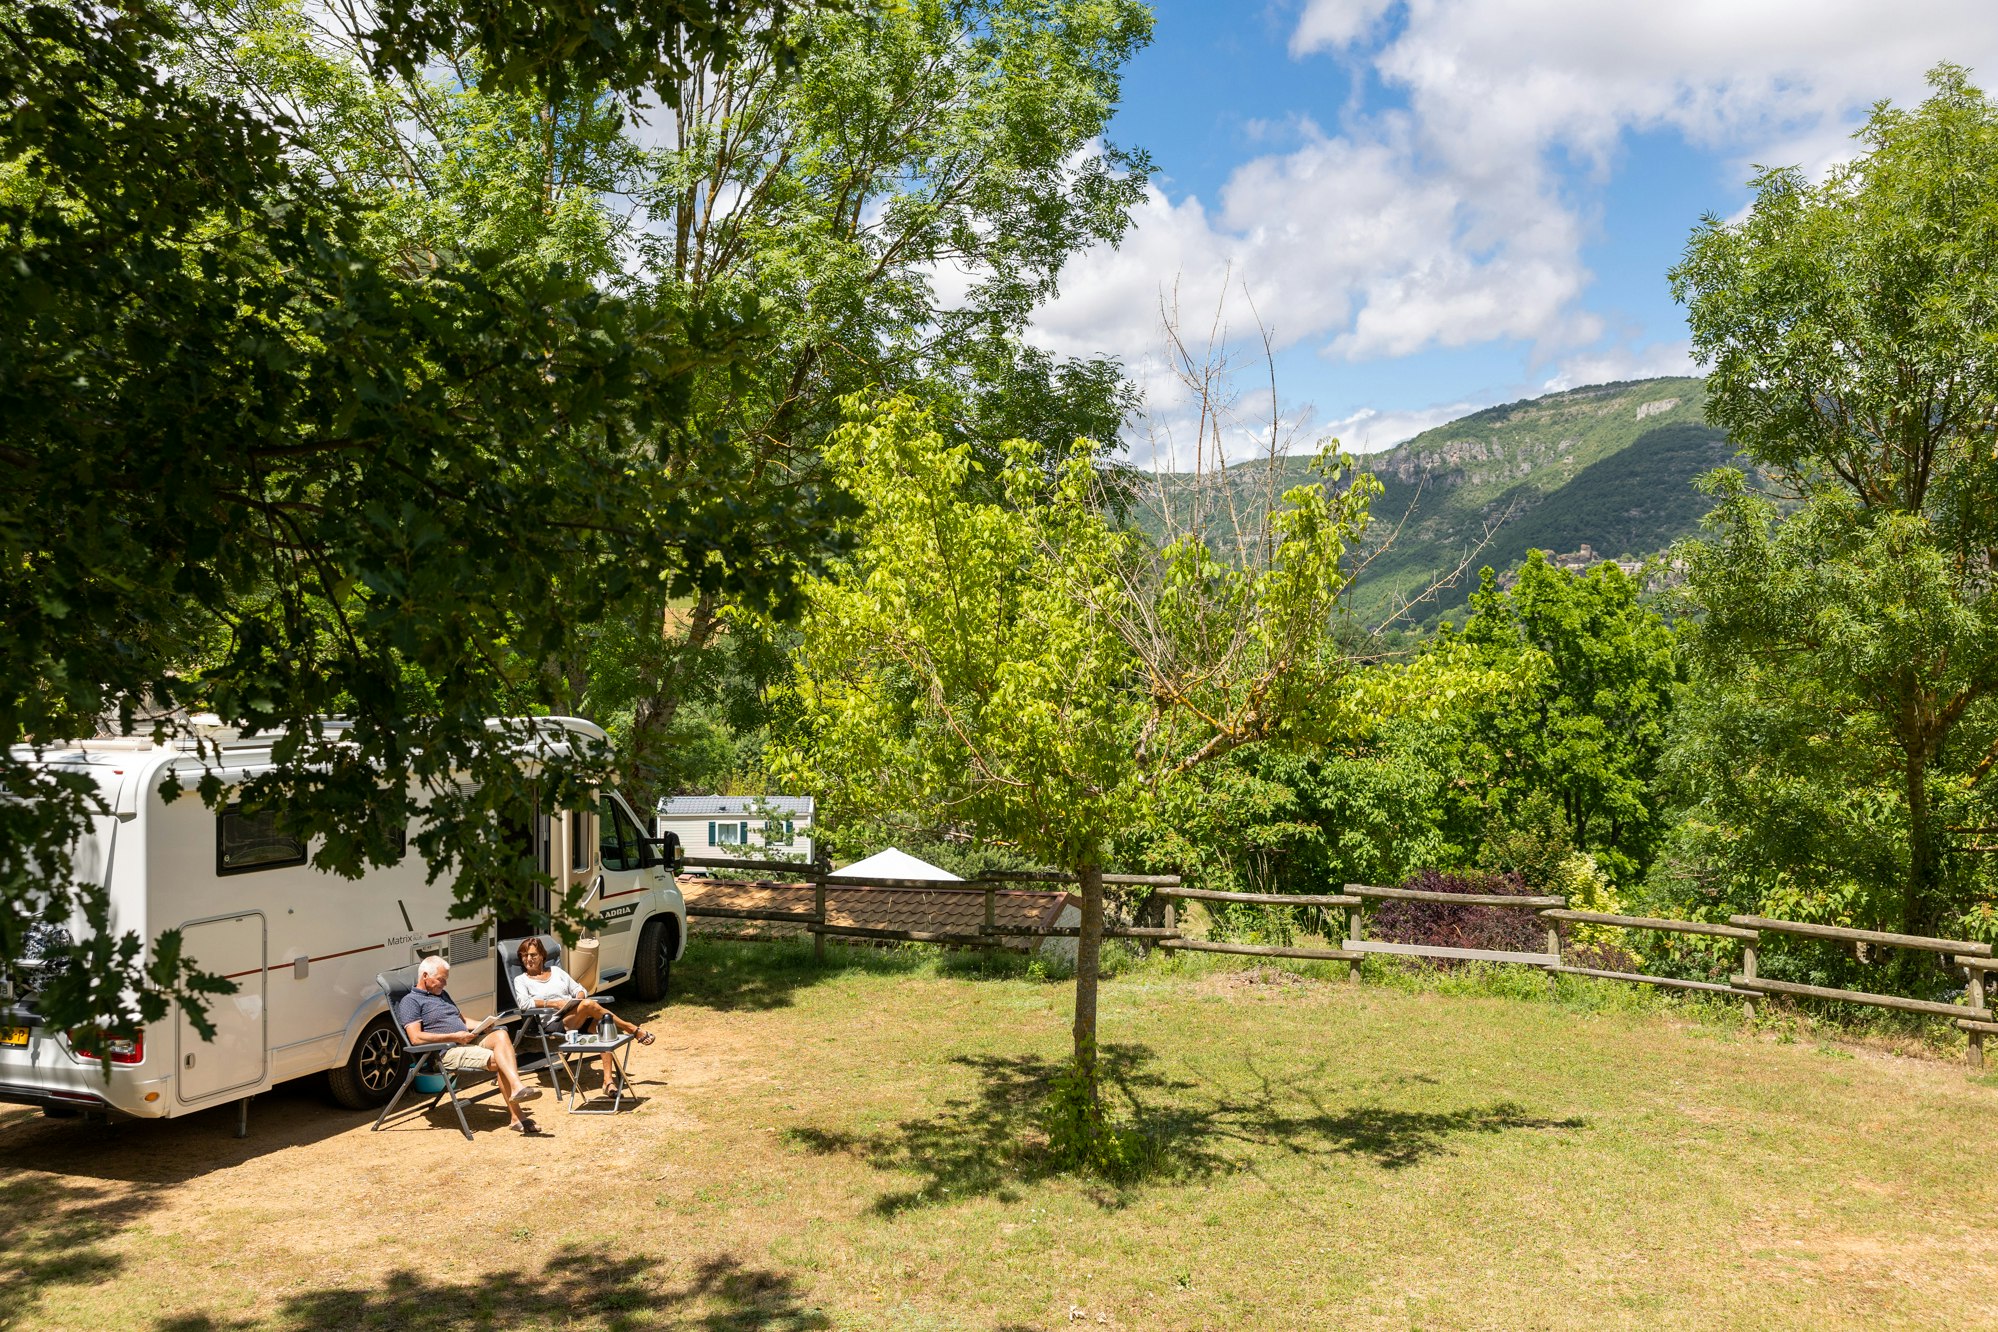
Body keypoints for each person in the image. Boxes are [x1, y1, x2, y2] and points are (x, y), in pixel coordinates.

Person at [397, 955, 545, 1135]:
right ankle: (517, 1116)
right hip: (445, 1051)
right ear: (425, 976)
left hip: (465, 1040)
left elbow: (463, 1020)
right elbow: (416, 1038)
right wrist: (453, 1036)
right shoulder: (410, 1002)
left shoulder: (442, 995)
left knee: (501, 1034)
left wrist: (483, 1024)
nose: (444, 984)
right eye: (441, 980)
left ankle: (517, 1087)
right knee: (501, 1060)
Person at [512, 937, 653, 1086]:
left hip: (574, 1013)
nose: (528, 959)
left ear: (541, 956)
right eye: (524, 956)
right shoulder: (521, 980)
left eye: (533, 955)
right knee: (588, 1005)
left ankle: (608, 1081)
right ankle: (630, 1028)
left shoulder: (556, 971)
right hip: (553, 1022)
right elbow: (524, 1003)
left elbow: (580, 990)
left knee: (601, 1027)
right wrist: (554, 1004)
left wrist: (577, 999)